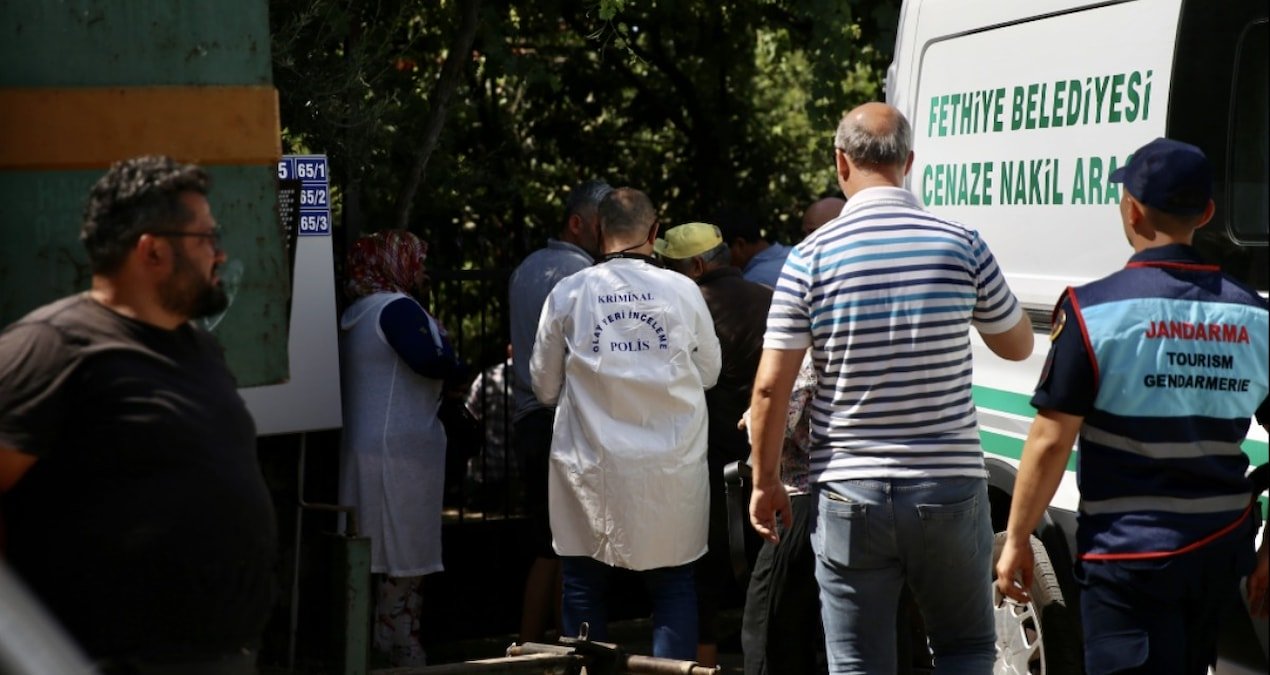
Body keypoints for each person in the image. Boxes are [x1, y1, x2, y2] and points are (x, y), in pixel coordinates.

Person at [748, 102, 1034, 674]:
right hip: (948, 484)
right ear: (909, 161)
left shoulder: (809, 258)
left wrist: (766, 481)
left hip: (850, 492)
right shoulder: (962, 244)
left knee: (857, 661)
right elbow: (1018, 345)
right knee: (965, 649)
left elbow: (769, 389)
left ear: (840, 162)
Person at [995, 137, 1270, 675]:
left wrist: (1018, 537)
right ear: (1208, 213)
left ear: (1132, 210)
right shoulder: (1254, 317)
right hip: (1218, 551)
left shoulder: (1092, 311)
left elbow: (1051, 440)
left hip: (1126, 558)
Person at [0, 155, 277, 673]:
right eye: (206, 237)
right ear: (152, 250)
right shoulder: (52, 346)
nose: (220, 254)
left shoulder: (198, 347)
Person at [530, 187, 722, 660]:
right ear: (655, 234)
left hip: (591, 467)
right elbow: (710, 373)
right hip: (669, 469)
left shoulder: (569, 293)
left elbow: (543, 387)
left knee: (583, 587)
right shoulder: (683, 291)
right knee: (674, 586)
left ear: (598, 231)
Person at [338, 229, 464, 667]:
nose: (423, 270)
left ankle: (373, 637)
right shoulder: (396, 308)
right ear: (397, 263)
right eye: (416, 259)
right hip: (403, 453)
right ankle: (400, 642)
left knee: (374, 552)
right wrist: (456, 363)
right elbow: (430, 359)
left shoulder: (357, 312)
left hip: (369, 447)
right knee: (406, 553)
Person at [656, 222, 772, 666]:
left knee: (699, 575)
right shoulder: (769, 298)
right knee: (767, 573)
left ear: (698, 266)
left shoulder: (685, 309)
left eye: (670, 266)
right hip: (765, 459)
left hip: (701, 458)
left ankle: (703, 665)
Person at [740, 196, 844, 675]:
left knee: (770, 621)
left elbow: (780, 398)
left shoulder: (814, 296)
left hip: (804, 494)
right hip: (865, 493)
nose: (802, 240)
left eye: (808, 229)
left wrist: (756, 429)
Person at [508, 179, 612, 643]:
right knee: (571, 545)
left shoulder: (526, 268)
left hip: (528, 418)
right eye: (601, 226)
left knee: (546, 544)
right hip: (564, 419)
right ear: (577, 223)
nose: (608, 236)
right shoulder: (584, 277)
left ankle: (533, 646)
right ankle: (566, 648)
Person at [464, 345, 517, 511]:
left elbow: (469, 413)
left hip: (484, 468)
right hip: (517, 472)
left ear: (509, 350)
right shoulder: (533, 379)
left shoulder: (487, 376)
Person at [715, 205, 791, 288]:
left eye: (720, 253)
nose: (718, 262)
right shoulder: (798, 254)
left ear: (740, 245)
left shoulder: (750, 283)